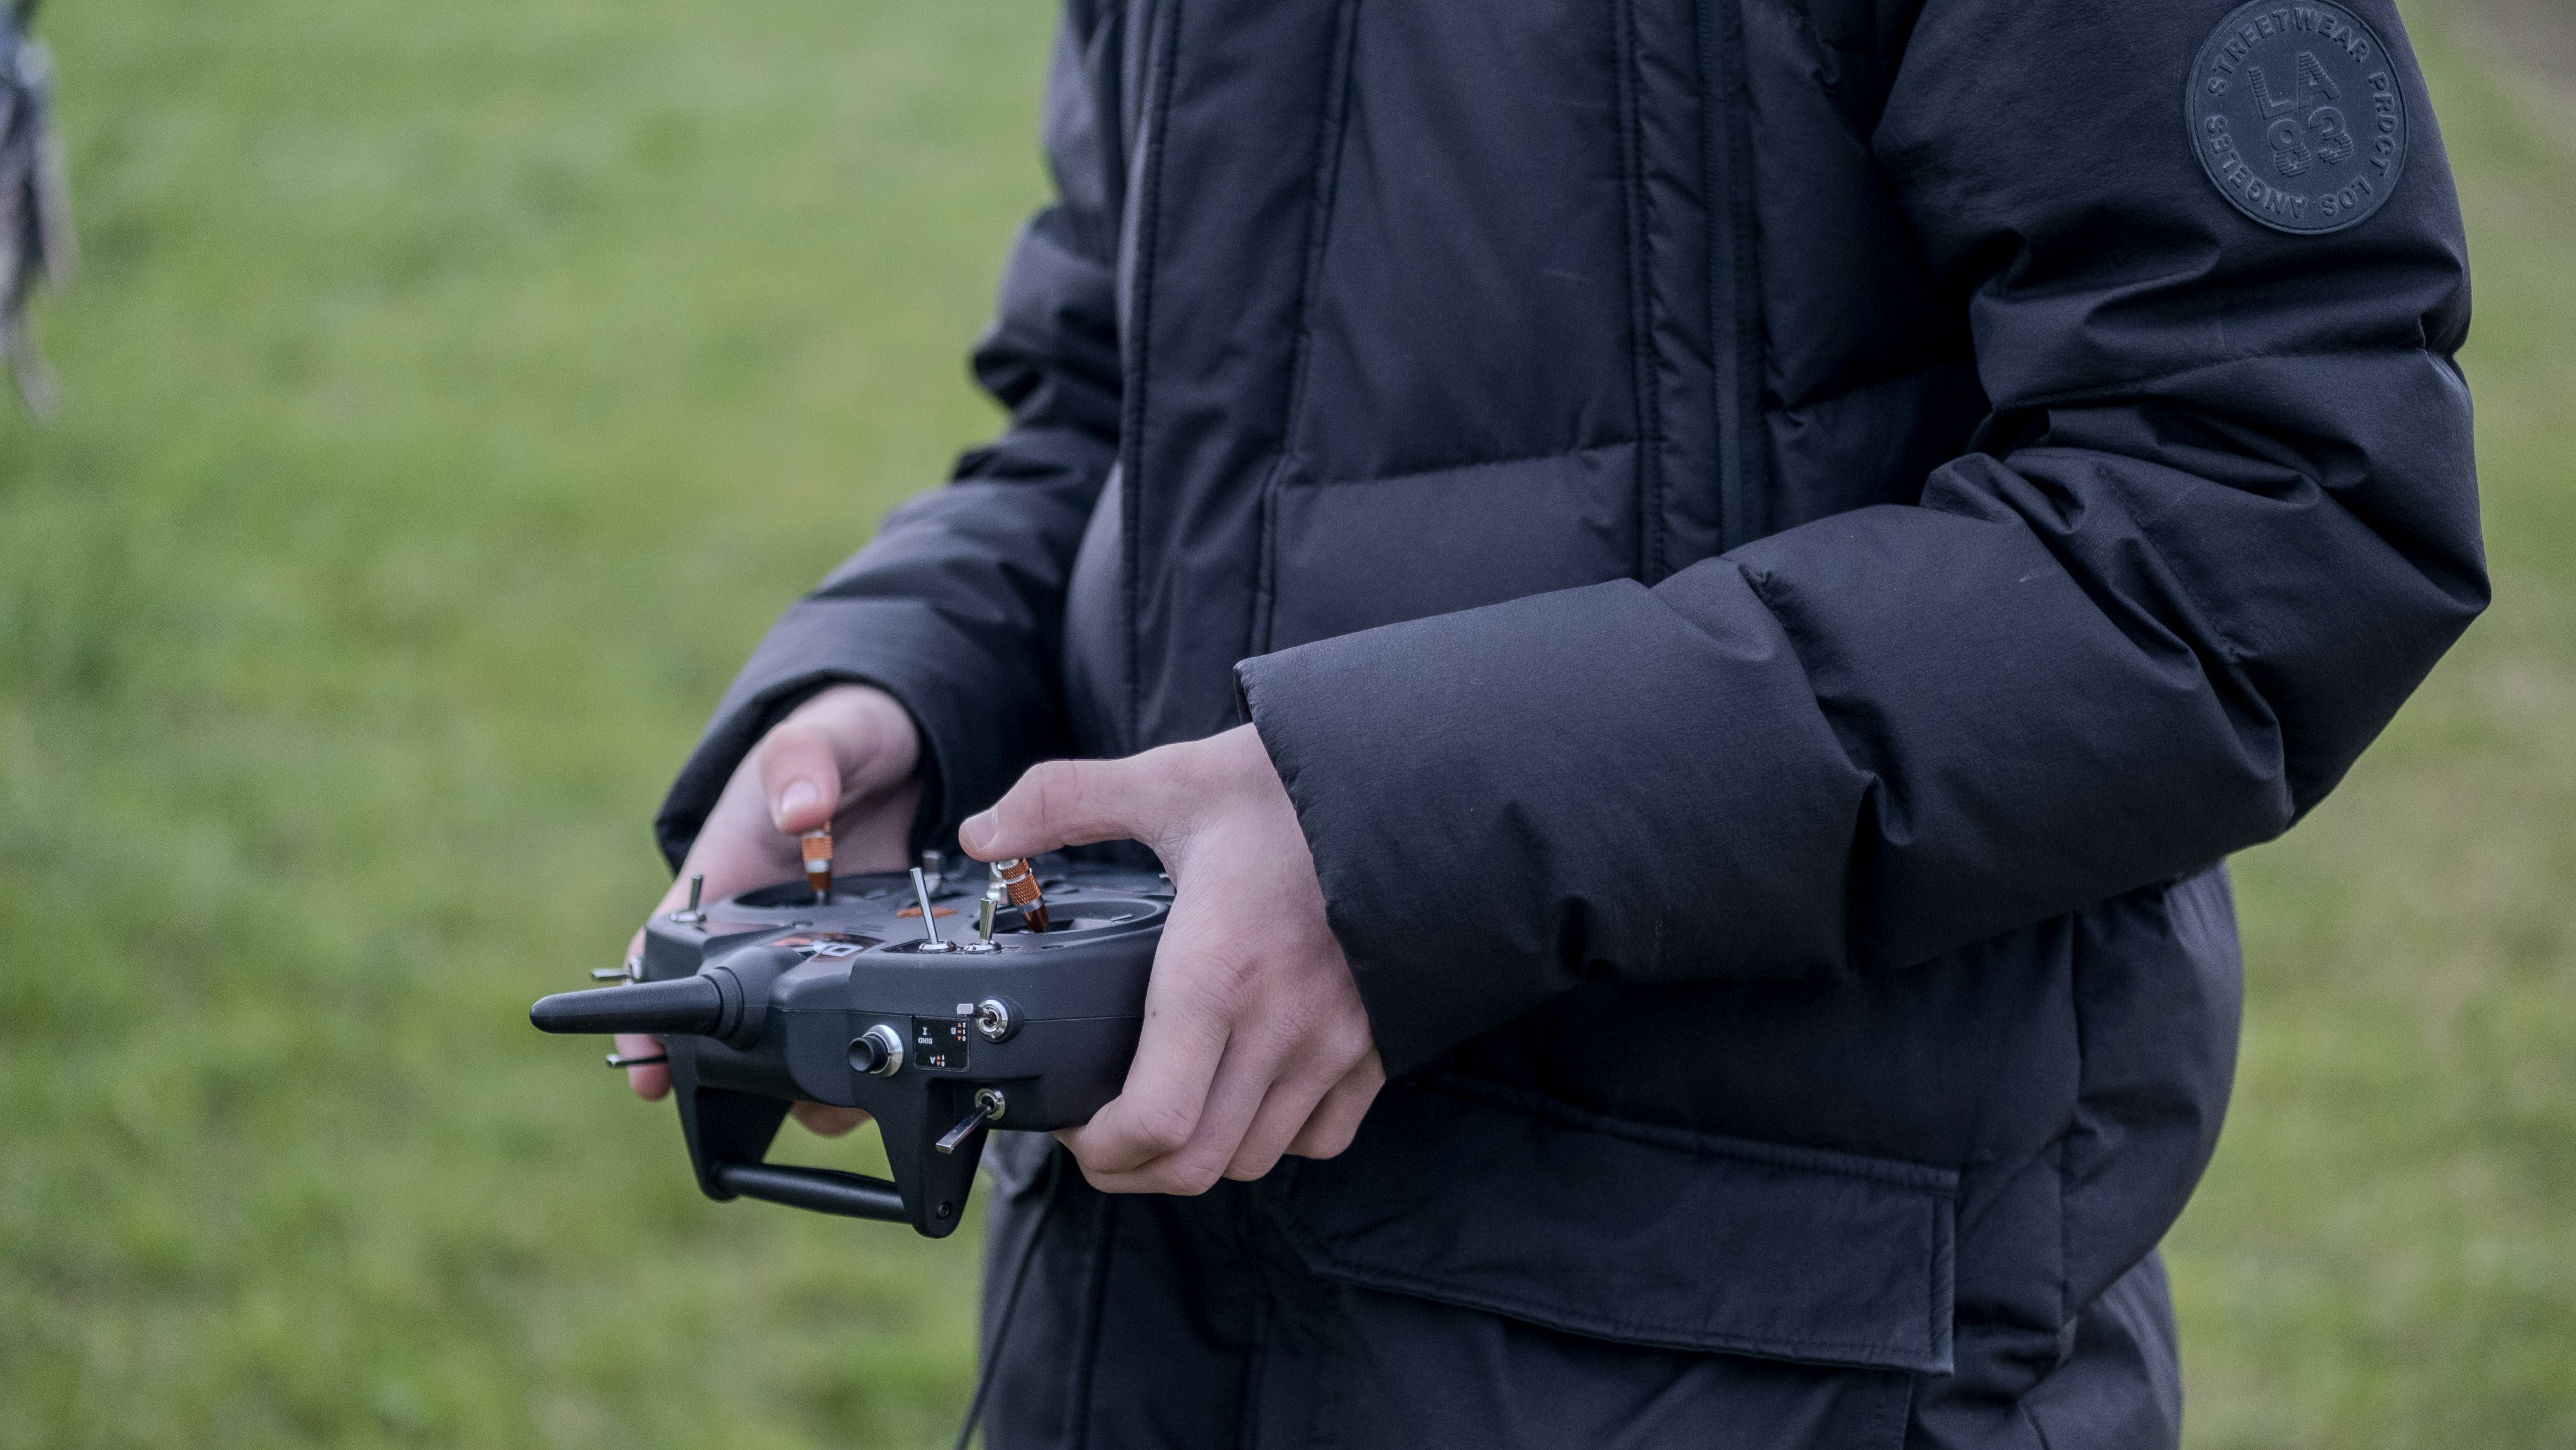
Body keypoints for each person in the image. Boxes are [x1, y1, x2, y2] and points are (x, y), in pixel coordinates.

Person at [615, 0, 2484, 1443]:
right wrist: (903, 685)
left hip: (1781, 1363)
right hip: (1132, 1325)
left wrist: (1400, 838)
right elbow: (1109, 397)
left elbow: (2269, 498)